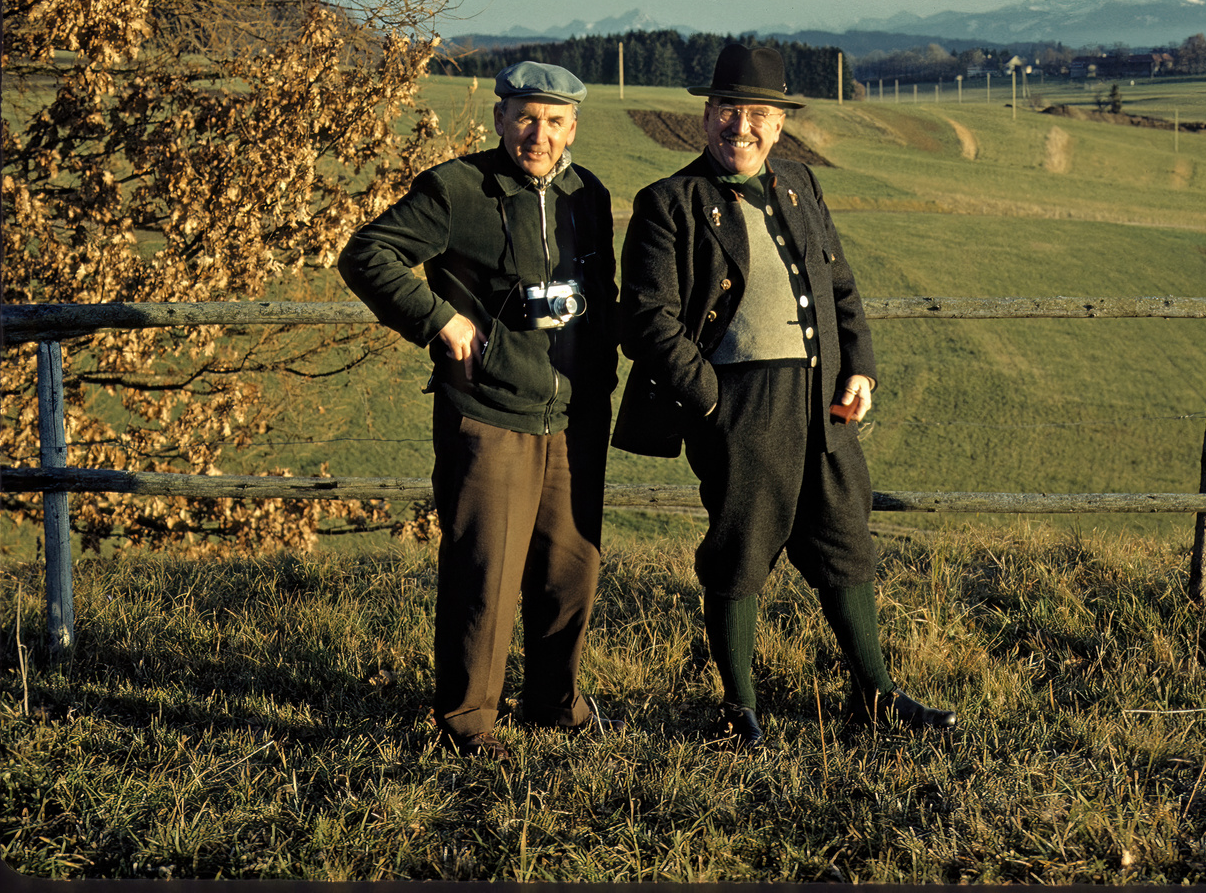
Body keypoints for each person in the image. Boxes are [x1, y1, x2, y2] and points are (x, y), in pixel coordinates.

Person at [613, 43, 956, 750]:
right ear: (705, 117)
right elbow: (647, 318)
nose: (742, 127)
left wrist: (857, 367)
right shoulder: (669, 203)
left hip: (821, 402)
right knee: (740, 551)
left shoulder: (799, 183)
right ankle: (737, 709)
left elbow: (839, 287)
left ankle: (875, 696)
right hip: (740, 405)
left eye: (758, 115)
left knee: (844, 541)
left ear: (778, 124)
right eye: (729, 112)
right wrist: (710, 400)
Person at [338, 61, 622, 760]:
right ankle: (468, 722)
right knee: (484, 572)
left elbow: (604, 295)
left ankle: (557, 705)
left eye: (554, 121)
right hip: (488, 410)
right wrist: (441, 320)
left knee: (570, 570)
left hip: (575, 415)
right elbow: (366, 254)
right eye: (525, 117)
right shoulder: (456, 188)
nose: (538, 133)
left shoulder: (589, 193)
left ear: (573, 127)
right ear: (499, 119)